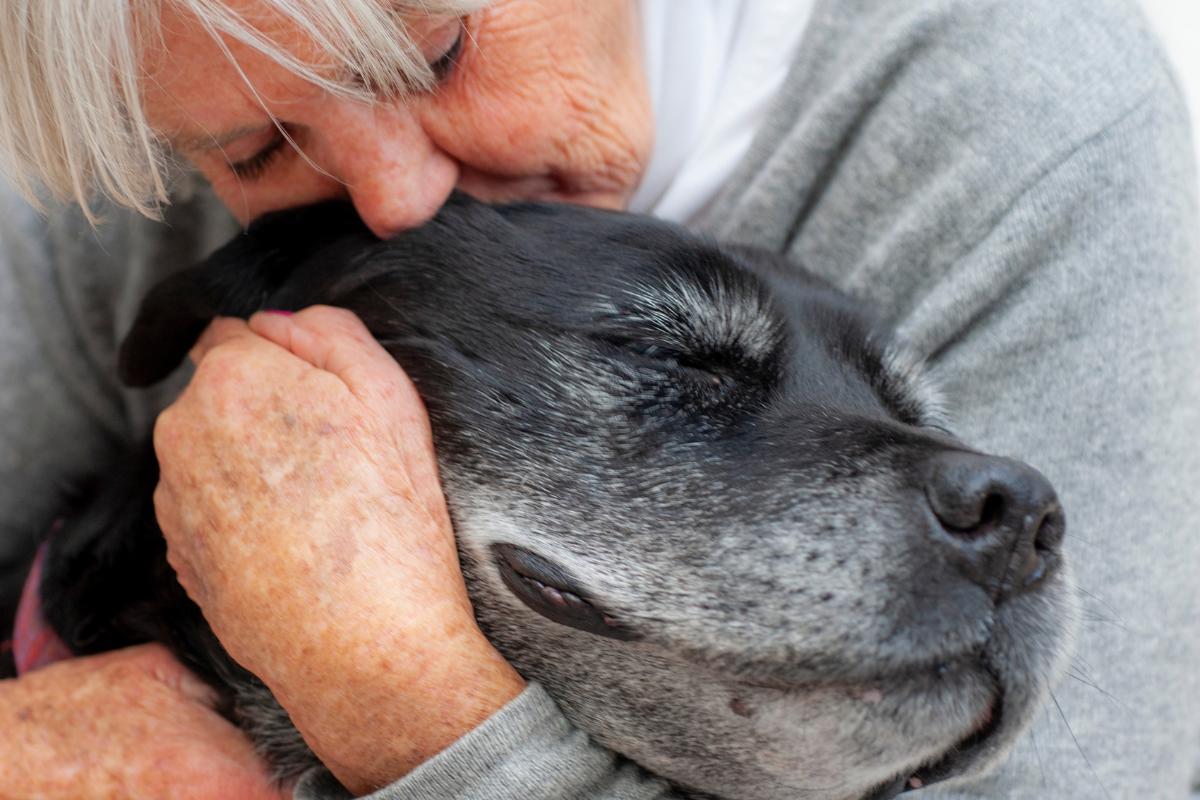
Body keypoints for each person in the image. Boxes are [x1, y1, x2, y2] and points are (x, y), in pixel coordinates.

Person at [1, 0, 1198, 797]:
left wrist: (399, 698)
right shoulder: (142, 86)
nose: (397, 203)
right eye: (260, 155)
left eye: (442, 53)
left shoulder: (1033, 124)